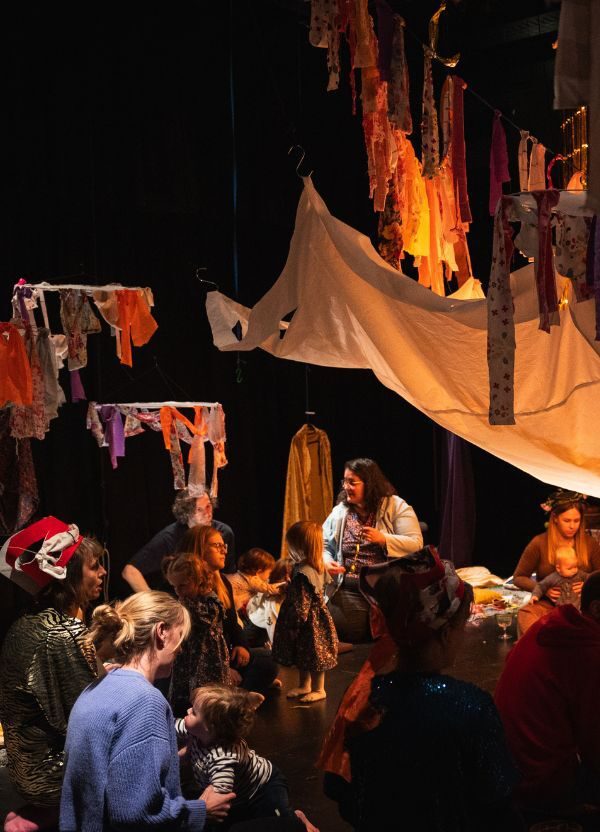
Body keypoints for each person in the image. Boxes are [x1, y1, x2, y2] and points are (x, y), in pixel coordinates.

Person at [324, 547, 523, 832]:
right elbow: (498, 802)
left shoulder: (364, 700)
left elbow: (339, 790)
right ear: (444, 632)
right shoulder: (470, 708)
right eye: (461, 625)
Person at [59, 590, 235, 831]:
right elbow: (136, 814)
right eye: (181, 638)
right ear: (161, 632)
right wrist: (201, 811)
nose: (181, 650)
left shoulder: (95, 688)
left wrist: (171, 758)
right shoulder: (146, 701)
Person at [0, 517, 106, 832]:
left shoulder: (26, 622)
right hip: (51, 773)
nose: (102, 573)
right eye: (94, 566)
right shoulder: (63, 632)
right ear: (68, 577)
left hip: (24, 768)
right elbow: (88, 718)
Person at [495, 571, 600, 818]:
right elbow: (594, 742)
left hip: (507, 769)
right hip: (541, 784)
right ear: (597, 608)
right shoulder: (586, 649)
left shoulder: (557, 624)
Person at [166, 526, 278, 711]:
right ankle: (233, 703)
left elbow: (231, 622)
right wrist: (226, 669)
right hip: (195, 661)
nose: (224, 550)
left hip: (219, 654)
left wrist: (241, 645)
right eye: (217, 545)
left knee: (268, 660)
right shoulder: (182, 587)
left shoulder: (222, 582)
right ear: (201, 548)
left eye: (223, 545)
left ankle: (231, 699)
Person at [180, 684, 317, 830]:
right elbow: (173, 725)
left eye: (194, 712)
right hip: (242, 791)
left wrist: (199, 811)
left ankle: (301, 822)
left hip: (264, 787)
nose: (188, 711)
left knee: (279, 817)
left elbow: (220, 798)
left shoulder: (223, 759)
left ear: (210, 727)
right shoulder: (198, 728)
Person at [322, 458, 423, 643]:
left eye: (352, 482)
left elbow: (416, 543)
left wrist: (384, 539)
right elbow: (324, 545)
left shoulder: (396, 506)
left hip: (381, 588)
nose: (346, 487)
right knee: (328, 625)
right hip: (347, 587)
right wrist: (327, 561)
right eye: (344, 481)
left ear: (369, 484)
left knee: (351, 631)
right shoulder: (340, 512)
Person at [513, 490, 600, 634]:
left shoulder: (589, 543)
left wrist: (588, 585)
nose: (572, 526)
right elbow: (519, 577)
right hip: (549, 605)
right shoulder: (539, 543)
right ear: (555, 518)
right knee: (526, 614)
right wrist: (543, 589)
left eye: (576, 521)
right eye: (567, 521)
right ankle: (538, 651)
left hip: (582, 606)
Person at [121, 487, 236, 593]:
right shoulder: (169, 537)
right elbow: (130, 571)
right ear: (187, 513)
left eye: (208, 506)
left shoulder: (224, 532)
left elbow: (229, 574)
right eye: (199, 509)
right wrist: (154, 603)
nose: (207, 513)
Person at [272, 521, 338, 703]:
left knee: (314, 654)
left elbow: (303, 601)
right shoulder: (311, 567)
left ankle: (319, 689)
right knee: (304, 653)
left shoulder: (305, 572)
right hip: (314, 618)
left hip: (309, 621)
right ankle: (304, 684)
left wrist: (295, 622)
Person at [228, 549, 286, 647]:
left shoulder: (241, 575)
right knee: (238, 627)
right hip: (232, 608)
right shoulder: (253, 580)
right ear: (259, 572)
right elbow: (270, 588)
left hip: (233, 608)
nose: (269, 577)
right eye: (269, 573)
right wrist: (286, 586)